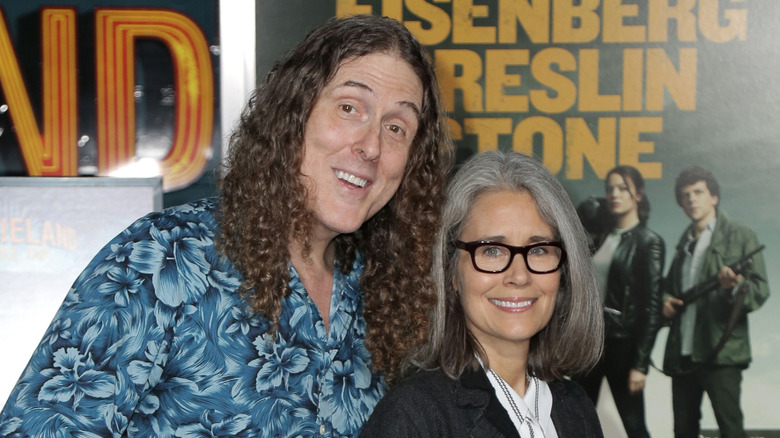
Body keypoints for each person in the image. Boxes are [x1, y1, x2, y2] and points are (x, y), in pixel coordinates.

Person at [0, 14, 452, 437]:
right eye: (350, 108)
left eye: (397, 128)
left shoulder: (384, 296)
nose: (371, 145)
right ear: (292, 115)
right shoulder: (167, 257)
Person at [361, 150, 605, 438]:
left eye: (538, 250)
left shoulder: (575, 409)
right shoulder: (414, 416)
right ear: (451, 272)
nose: (519, 276)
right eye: (491, 250)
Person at [662, 166, 769, 438]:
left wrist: (734, 287)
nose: (691, 200)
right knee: (683, 431)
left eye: (698, 192)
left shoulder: (741, 236)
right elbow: (668, 289)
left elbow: (759, 289)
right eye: (685, 195)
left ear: (714, 197)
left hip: (721, 352)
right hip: (683, 353)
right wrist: (665, 301)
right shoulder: (683, 244)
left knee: (730, 428)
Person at [576, 166, 665, 438]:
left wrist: (640, 364)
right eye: (610, 189)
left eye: (622, 188)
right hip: (591, 344)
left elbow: (652, 308)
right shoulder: (601, 238)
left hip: (622, 346)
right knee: (577, 420)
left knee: (634, 425)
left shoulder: (647, 242)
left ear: (638, 194)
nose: (615, 194)